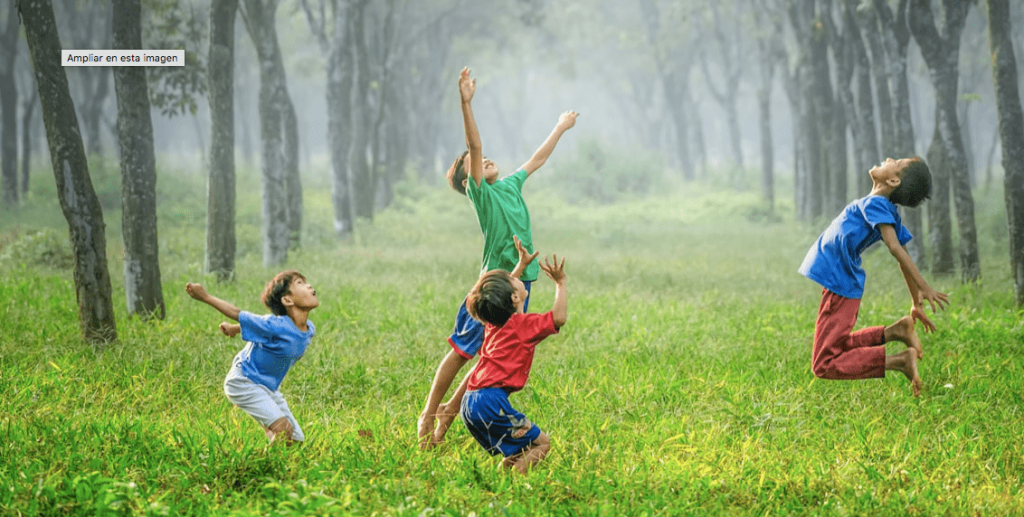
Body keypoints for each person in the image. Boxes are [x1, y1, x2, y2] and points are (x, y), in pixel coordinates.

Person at [417, 66, 578, 448]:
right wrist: (466, 102)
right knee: (461, 351)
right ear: (467, 181)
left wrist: (559, 127)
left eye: (486, 157)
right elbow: (473, 146)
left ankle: (445, 423)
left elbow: (536, 159)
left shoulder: (508, 185)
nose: (484, 158)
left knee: (492, 356)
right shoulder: (482, 195)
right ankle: (428, 415)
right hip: (493, 285)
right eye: (473, 162)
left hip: (521, 282)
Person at [798, 157, 949, 397]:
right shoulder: (882, 207)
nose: (889, 158)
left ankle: (899, 361)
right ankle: (895, 332)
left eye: (896, 161)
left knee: (824, 363)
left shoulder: (878, 204)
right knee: (837, 346)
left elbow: (896, 248)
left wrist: (924, 287)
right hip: (840, 281)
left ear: (893, 180)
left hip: (840, 282)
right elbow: (903, 254)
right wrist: (915, 301)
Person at [460, 252, 567, 473]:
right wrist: (560, 283)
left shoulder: (494, 323)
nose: (515, 277)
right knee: (542, 443)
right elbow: (558, 318)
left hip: (470, 402)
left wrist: (521, 265)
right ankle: (517, 485)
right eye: (513, 279)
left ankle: (502, 480)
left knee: (520, 448)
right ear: (514, 298)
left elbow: (499, 296)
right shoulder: (523, 326)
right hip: (491, 403)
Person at [185, 270, 318, 443]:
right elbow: (237, 313)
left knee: (295, 440)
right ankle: (259, 465)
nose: (308, 285)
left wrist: (234, 329)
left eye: (305, 282)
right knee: (284, 431)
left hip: (268, 388)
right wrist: (205, 296)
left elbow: (262, 328)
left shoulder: (309, 329)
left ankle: (272, 438)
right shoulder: (275, 324)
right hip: (244, 381)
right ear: (287, 300)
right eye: (299, 283)